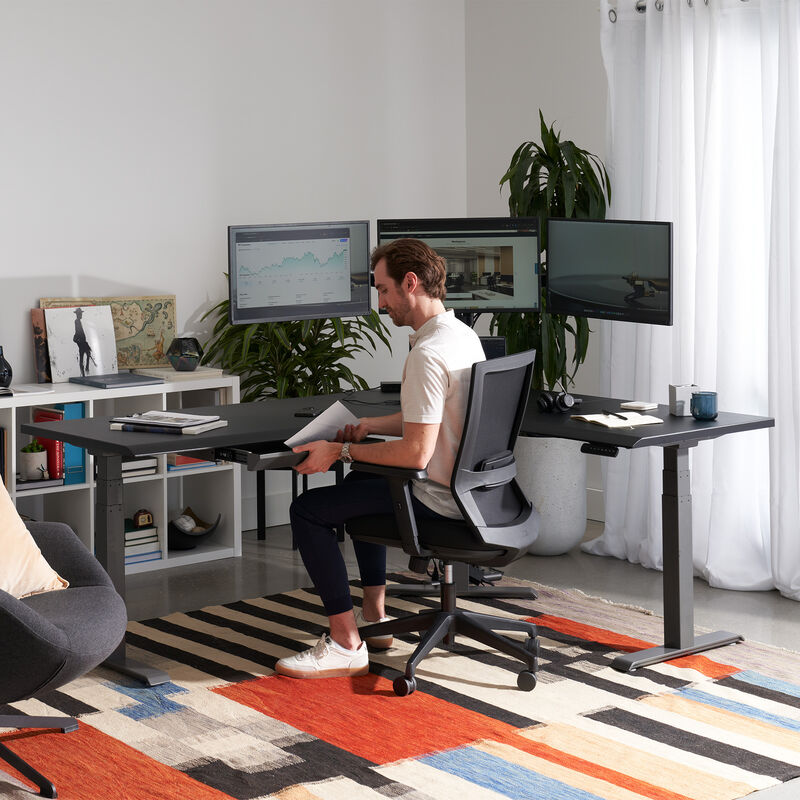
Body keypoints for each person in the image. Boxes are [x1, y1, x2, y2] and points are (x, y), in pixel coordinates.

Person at [275, 237, 485, 679]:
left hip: (437, 499)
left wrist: (340, 450)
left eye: (384, 290)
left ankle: (346, 644)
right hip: (471, 492)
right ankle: (376, 618)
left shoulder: (426, 354)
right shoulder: (460, 336)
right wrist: (371, 426)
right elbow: (430, 418)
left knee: (307, 511)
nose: (381, 302)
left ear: (411, 283)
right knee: (358, 487)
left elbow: (415, 452)